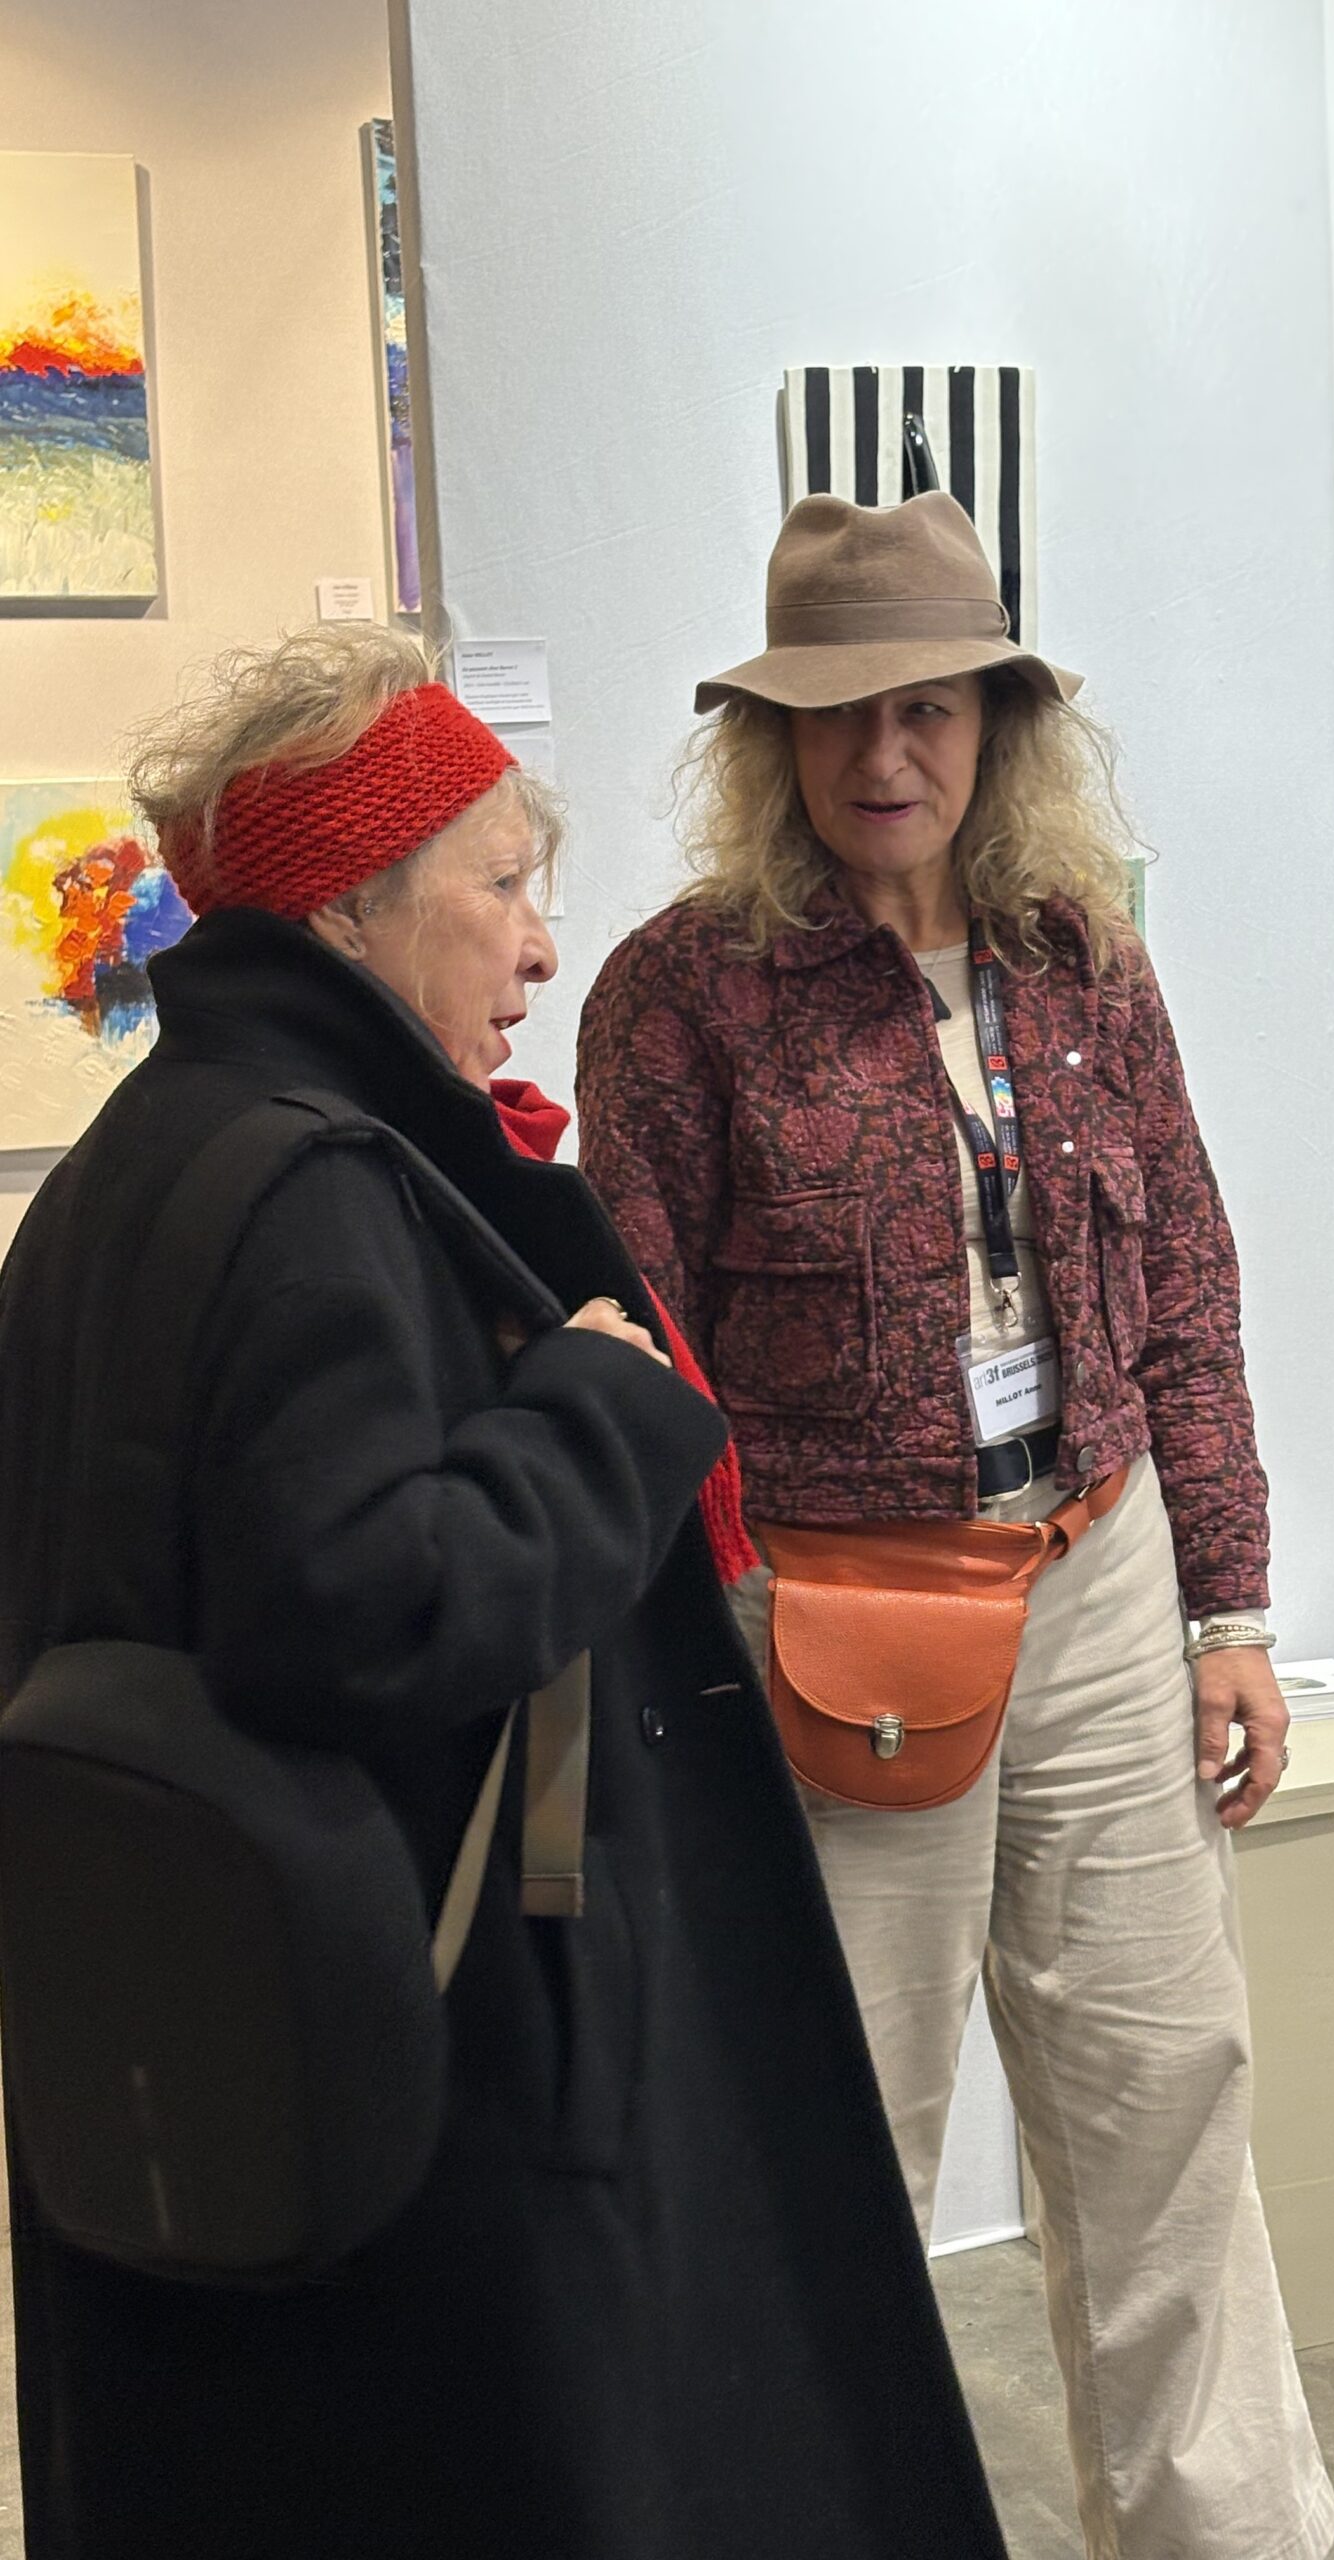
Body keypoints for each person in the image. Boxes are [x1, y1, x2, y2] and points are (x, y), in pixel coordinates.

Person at [0, 627, 1006, 2560]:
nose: (541, 949)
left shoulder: (134, 1166)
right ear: (352, 910)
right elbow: (363, 1611)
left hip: (191, 2053)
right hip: (410, 2072)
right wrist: (601, 1414)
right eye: (504, 886)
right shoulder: (319, 1192)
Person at [578, 494, 1334, 2560]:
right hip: (834, 1622)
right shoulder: (680, 996)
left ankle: (1222, 2538)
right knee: (835, 2141)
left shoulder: (1085, 959)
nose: (884, 753)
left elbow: (1187, 1290)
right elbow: (638, 1356)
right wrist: (699, 1665)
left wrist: (1231, 1609)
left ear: (1000, 723)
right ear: (773, 742)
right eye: (837, 714)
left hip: (1102, 1568)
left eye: (926, 707)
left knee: (1166, 2103)